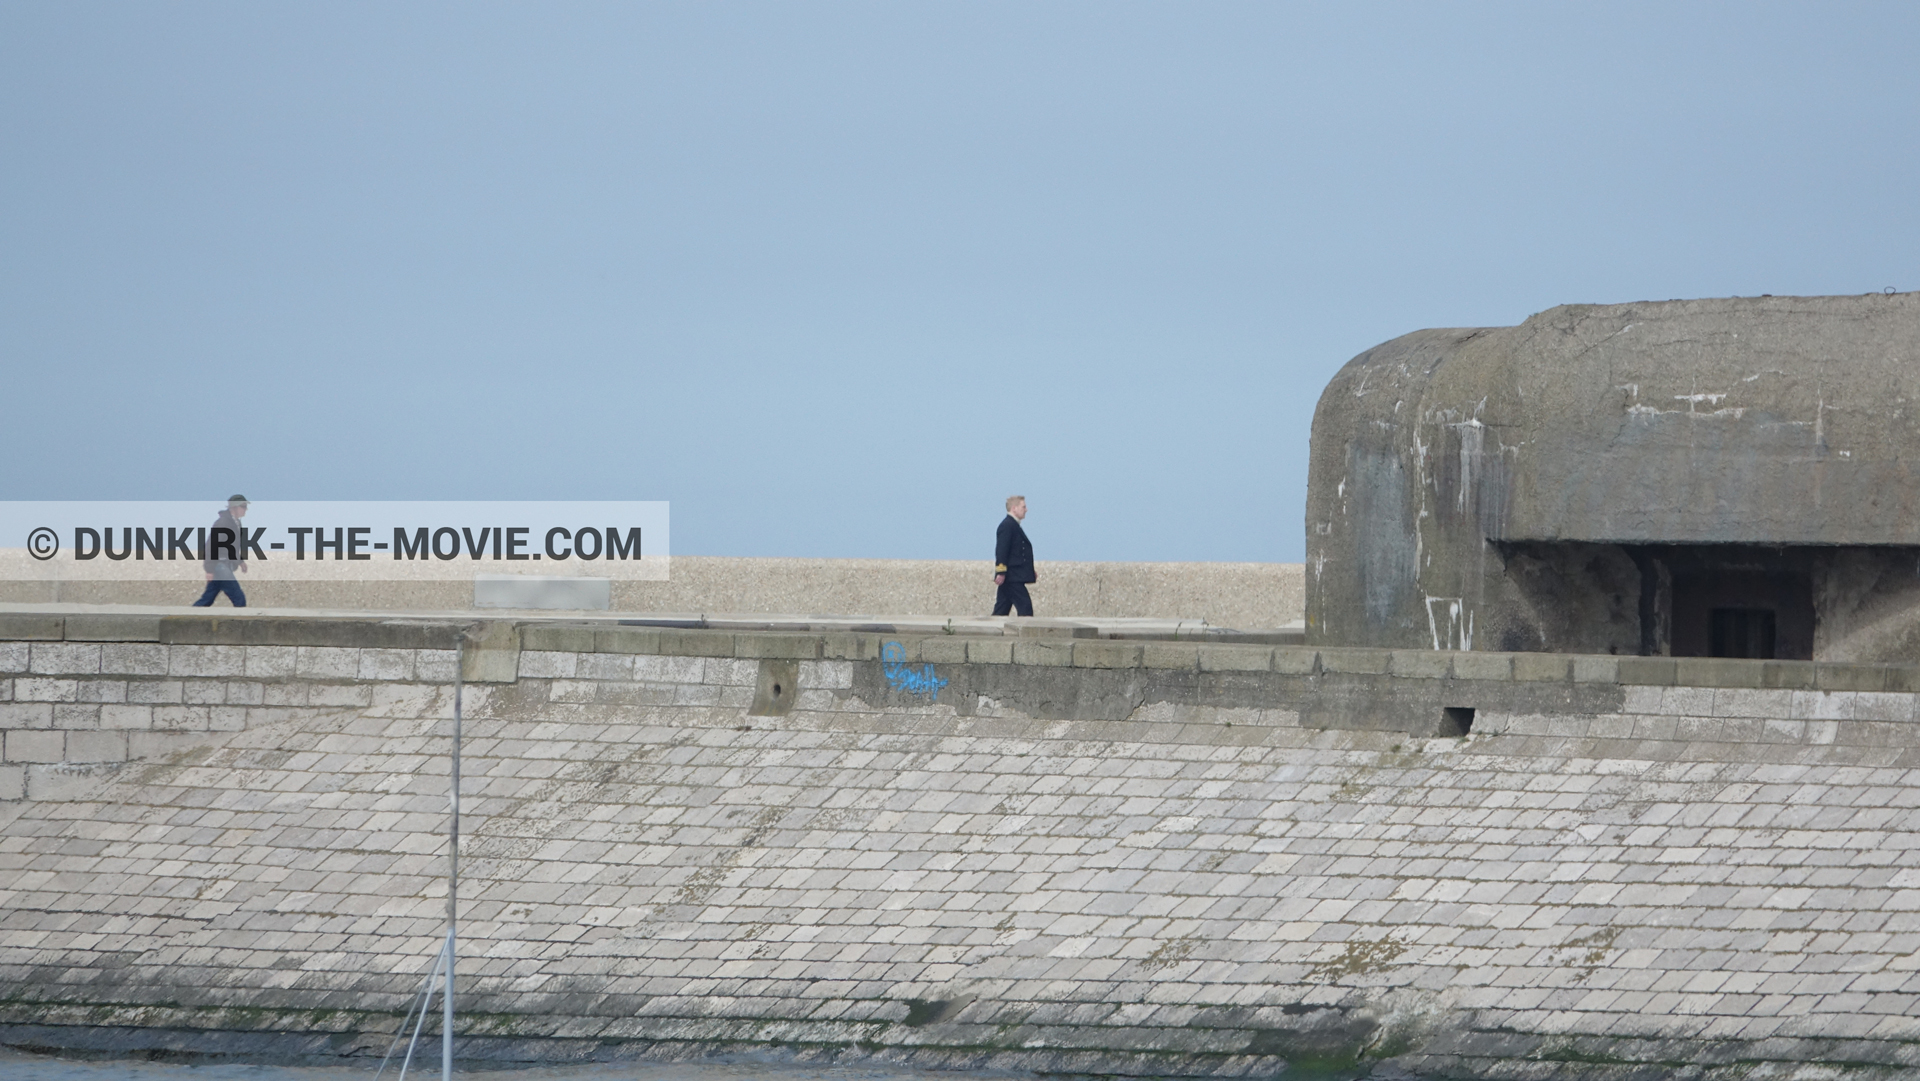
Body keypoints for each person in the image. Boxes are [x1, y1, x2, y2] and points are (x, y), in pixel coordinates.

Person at [193, 495, 250, 607]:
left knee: (207, 600)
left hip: (225, 565)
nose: (245, 509)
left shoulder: (235, 523)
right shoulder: (223, 522)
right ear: (234, 507)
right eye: (243, 506)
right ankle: (240, 623)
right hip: (220, 565)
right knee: (239, 599)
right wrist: (209, 569)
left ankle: (187, 619)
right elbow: (211, 545)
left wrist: (239, 561)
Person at [992, 495, 1036, 617]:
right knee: (1025, 608)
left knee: (1001, 609)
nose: (1026, 509)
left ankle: (993, 632)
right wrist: (1001, 572)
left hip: (1014, 575)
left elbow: (1018, 553)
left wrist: (1030, 570)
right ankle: (1026, 635)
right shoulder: (1007, 525)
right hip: (1012, 576)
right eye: (1023, 506)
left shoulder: (1013, 525)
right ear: (1014, 508)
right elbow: (1002, 550)